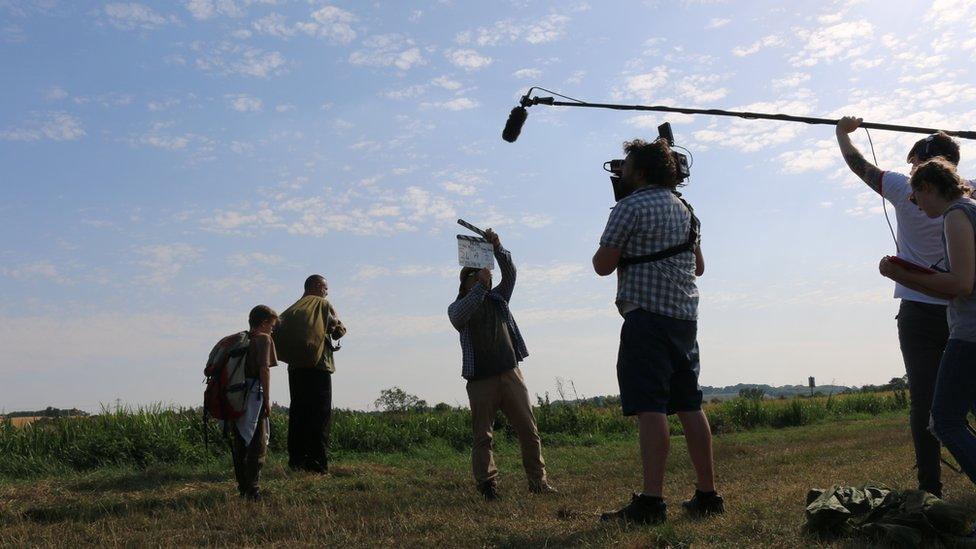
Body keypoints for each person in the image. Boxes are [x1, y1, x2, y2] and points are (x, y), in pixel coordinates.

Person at [836, 116, 969, 497]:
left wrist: (841, 134)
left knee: (923, 402)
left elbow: (857, 164)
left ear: (924, 167)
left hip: (918, 309)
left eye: (915, 165)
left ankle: (929, 487)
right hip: (963, 308)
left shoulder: (901, 186)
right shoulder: (971, 195)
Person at [592, 137, 722, 524]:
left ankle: (651, 502)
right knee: (689, 405)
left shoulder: (628, 207)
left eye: (627, 164)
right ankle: (707, 495)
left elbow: (602, 264)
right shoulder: (685, 208)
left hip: (646, 318)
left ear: (641, 172)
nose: (621, 169)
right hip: (685, 319)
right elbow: (698, 266)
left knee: (650, 407)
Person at [878, 158, 976, 486]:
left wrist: (902, 274)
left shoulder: (956, 215)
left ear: (929, 188)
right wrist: (909, 277)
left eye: (915, 197)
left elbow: (961, 285)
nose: (915, 206)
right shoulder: (972, 208)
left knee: (944, 421)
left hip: (969, 333)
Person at [448, 228, 556, 501]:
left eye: (485, 273)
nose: (486, 275)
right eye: (477, 275)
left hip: (510, 374)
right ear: (466, 283)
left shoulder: (498, 299)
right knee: (483, 437)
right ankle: (487, 486)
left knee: (529, 432)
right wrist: (480, 287)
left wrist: (498, 247)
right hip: (480, 380)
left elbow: (510, 274)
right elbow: (461, 315)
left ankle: (538, 483)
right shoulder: (458, 307)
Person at [274, 274, 346, 473]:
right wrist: (338, 328)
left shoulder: (292, 309)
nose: (327, 291)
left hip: (295, 369)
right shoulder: (323, 304)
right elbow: (337, 329)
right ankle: (317, 465)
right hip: (318, 368)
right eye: (325, 288)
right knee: (319, 416)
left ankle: (296, 462)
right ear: (316, 286)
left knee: (298, 415)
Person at [232, 304, 278, 501]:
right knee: (257, 442)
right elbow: (264, 369)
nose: (272, 329)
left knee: (240, 441)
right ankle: (253, 490)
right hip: (254, 395)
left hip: (236, 395)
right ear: (264, 322)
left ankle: (243, 487)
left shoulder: (241, 339)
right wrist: (267, 400)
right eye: (272, 324)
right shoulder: (264, 339)